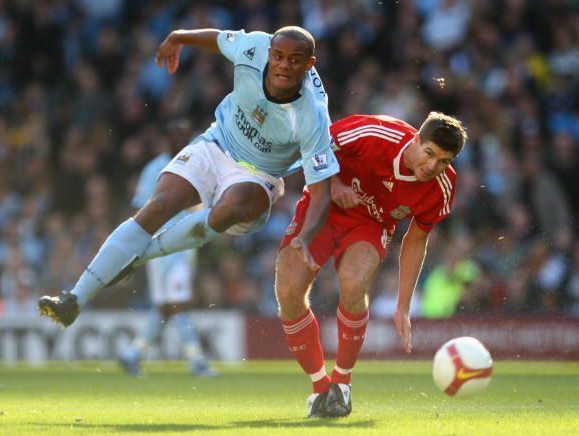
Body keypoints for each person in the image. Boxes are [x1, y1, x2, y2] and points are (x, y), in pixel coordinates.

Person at [38, 26, 339, 327]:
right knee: (158, 206)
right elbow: (219, 40)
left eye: (295, 60)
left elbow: (321, 191)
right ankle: (73, 299)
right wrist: (179, 36)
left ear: (309, 64)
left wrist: (305, 237)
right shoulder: (253, 47)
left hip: (258, 175)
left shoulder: (312, 115)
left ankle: (138, 258)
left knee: (232, 207)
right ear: (270, 53)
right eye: (279, 56)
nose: (284, 65)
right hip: (217, 143)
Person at [275, 112, 467, 418]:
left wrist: (403, 306)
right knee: (287, 291)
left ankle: (342, 384)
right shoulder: (374, 133)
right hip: (322, 204)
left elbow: (416, 241)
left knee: (353, 282)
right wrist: (334, 182)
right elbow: (314, 144)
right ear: (415, 140)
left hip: (370, 224)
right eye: (429, 153)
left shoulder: (443, 187)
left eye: (443, 161)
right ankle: (320, 388)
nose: (432, 167)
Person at [118, 120, 217, 378]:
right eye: (175, 136)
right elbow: (141, 208)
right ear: (165, 140)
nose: (180, 140)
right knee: (179, 304)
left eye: (184, 135)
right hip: (163, 250)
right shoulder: (155, 169)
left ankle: (132, 354)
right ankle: (197, 361)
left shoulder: (195, 163)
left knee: (165, 308)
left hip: (185, 247)